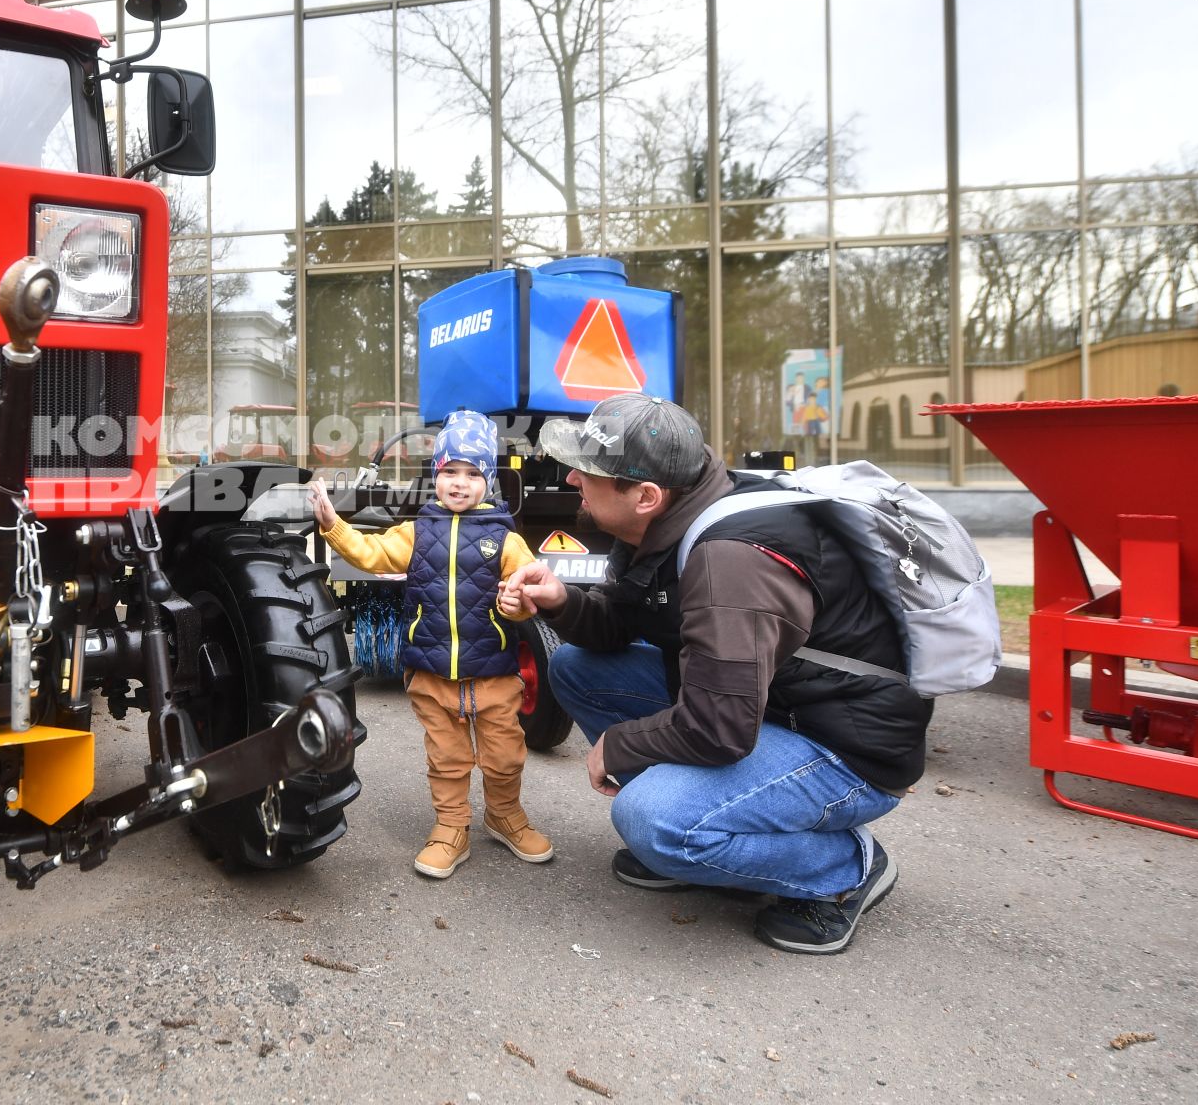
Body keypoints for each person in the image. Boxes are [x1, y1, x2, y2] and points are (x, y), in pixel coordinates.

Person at [497, 393, 927, 954]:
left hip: (845, 747)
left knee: (651, 819)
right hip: (768, 706)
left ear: (646, 496)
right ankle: (713, 837)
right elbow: (624, 625)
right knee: (577, 668)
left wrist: (620, 746)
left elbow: (720, 727)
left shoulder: (730, 562)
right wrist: (561, 602)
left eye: (589, 471)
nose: (574, 480)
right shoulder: (669, 521)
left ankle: (844, 870)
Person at [310, 409, 554, 879]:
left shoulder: (505, 539)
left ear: (488, 480)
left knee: (505, 756)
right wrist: (333, 525)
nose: (459, 483)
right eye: (449, 472)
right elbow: (373, 554)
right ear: (435, 475)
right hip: (431, 674)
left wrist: (517, 604)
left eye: (471, 473)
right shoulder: (417, 531)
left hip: (494, 675)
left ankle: (505, 815)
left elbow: (527, 598)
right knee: (447, 759)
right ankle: (450, 827)